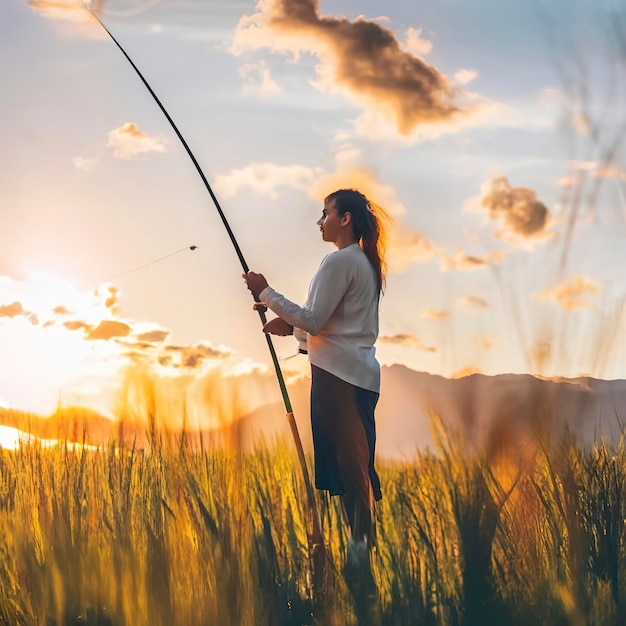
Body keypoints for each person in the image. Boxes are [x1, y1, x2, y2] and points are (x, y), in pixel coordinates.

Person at [243, 188, 388, 592]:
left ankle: (360, 573)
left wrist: (265, 292)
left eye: (324, 213)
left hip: (336, 381)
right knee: (354, 471)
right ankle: (360, 565)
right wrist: (294, 330)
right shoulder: (363, 262)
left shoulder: (341, 260)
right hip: (358, 378)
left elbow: (316, 318)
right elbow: (332, 324)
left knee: (350, 476)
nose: (319, 221)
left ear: (345, 219)